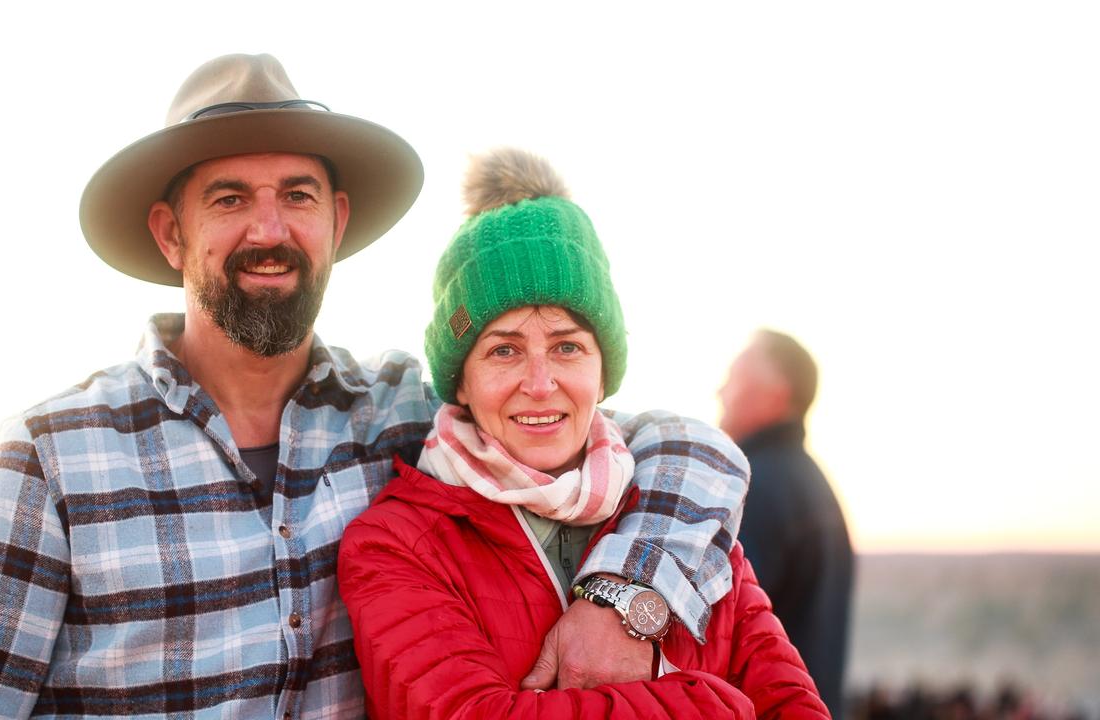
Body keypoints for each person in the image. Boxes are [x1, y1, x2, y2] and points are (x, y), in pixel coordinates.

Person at [0, 55, 750, 719]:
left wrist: (621, 598)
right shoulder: (49, 460)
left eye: (297, 195)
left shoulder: (408, 416)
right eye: (229, 197)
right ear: (169, 232)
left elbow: (686, 451)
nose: (269, 229)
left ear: (337, 222)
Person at [338, 149, 830, 718]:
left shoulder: (681, 519)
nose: (541, 384)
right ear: (462, 383)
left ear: (603, 370)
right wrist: (711, 706)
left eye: (567, 346)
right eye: (504, 350)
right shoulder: (396, 544)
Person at [718, 330, 854, 719]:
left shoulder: (758, 486)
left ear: (776, 394)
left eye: (734, 378)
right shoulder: (809, 483)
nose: (719, 391)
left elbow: (718, 620)